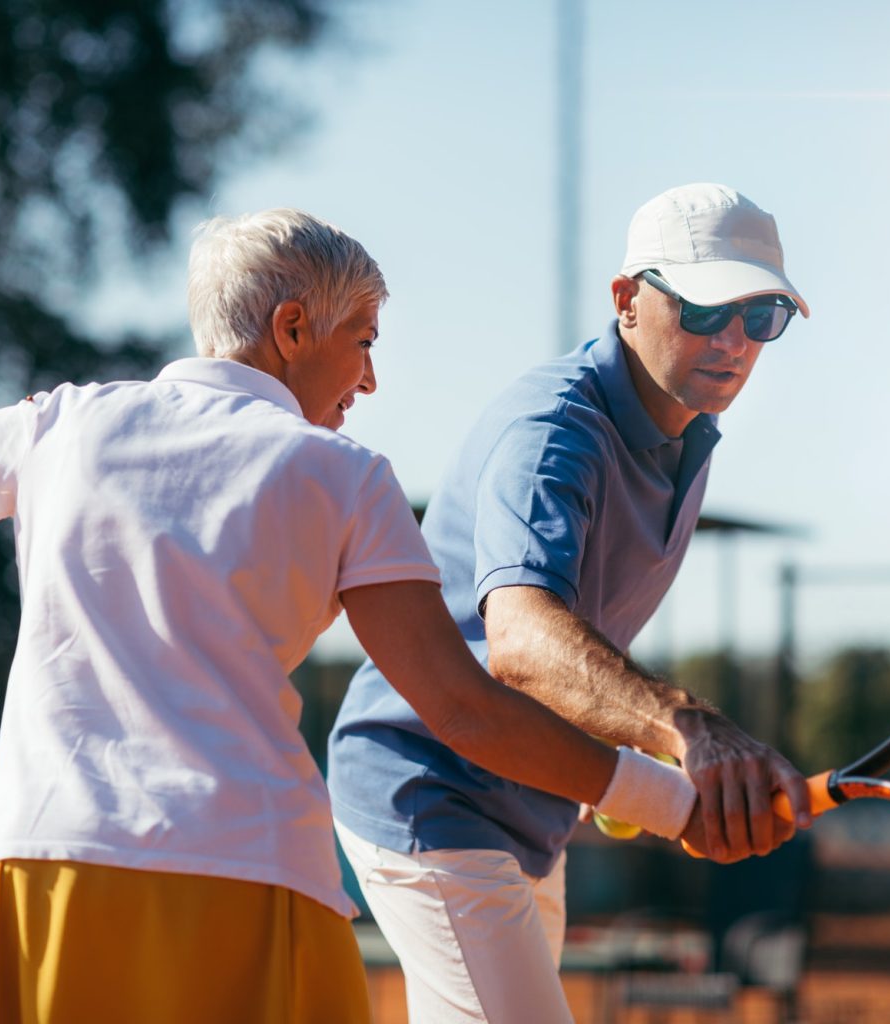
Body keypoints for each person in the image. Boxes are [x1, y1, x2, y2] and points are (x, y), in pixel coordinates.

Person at [0, 207, 749, 1024]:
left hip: (45, 856)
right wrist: (670, 801)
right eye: (363, 341)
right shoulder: (346, 475)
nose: (370, 379)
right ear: (291, 328)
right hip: (251, 868)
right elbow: (464, 709)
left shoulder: (58, 425)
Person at [327, 182, 814, 1024]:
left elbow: (576, 646)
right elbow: (519, 638)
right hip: (429, 790)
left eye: (761, 316)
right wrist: (686, 726)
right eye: (704, 310)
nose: (733, 341)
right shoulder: (555, 430)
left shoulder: (685, 433)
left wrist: (616, 739)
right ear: (627, 300)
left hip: (531, 803)